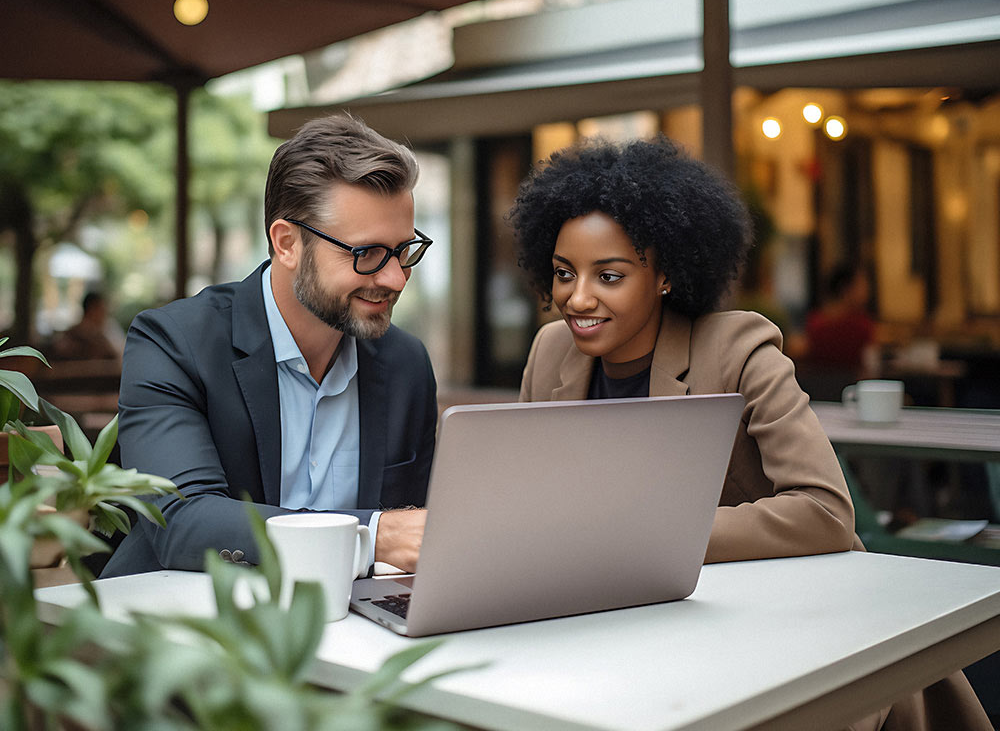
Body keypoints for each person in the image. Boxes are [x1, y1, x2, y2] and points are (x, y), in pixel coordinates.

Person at [510, 136, 990, 730]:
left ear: (664, 275)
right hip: (624, 621)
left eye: (609, 276)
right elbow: (532, 498)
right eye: (563, 273)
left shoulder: (737, 349)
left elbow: (825, 511)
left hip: (782, 630)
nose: (576, 298)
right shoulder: (551, 350)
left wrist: (644, 536)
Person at [102, 114, 435, 578]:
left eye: (404, 251)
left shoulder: (406, 363)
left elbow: (418, 535)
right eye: (367, 254)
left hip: (356, 630)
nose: (396, 277)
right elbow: (181, 521)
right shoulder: (174, 343)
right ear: (286, 243)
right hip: (189, 625)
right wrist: (375, 533)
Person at [804, 262, 879, 377]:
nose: (867, 291)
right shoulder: (861, 325)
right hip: (853, 387)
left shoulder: (814, 321)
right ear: (845, 289)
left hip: (818, 389)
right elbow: (870, 365)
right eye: (862, 285)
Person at [51, 291, 124, 361]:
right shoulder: (74, 334)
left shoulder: (109, 329)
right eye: (101, 309)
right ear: (91, 310)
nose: (104, 314)